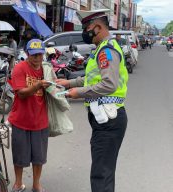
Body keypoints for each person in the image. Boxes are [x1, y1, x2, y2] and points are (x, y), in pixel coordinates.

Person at [57, 9, 128, 192]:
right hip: (105, 118)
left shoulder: (106, 51)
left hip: (108, 119)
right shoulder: (101, 50)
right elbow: (91, 80)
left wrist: (78, 93)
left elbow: (108, 84)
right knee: (103, 171)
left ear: (97, 27)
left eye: (86, 28)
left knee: (101, 174)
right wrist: (68, 83)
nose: (85, 33)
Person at [8, 39, 50, 192]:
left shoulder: (46, 69)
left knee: (39, 157)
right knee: (19, 156)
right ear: (27, 54)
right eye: (34, 55)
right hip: (21, 120)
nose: (38, 59)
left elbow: (53, 88)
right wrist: (38, 85)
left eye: (40, 55)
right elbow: (21, 93)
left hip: (40, 120)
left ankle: (36, 184)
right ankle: (18, 183)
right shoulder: (19, 68)